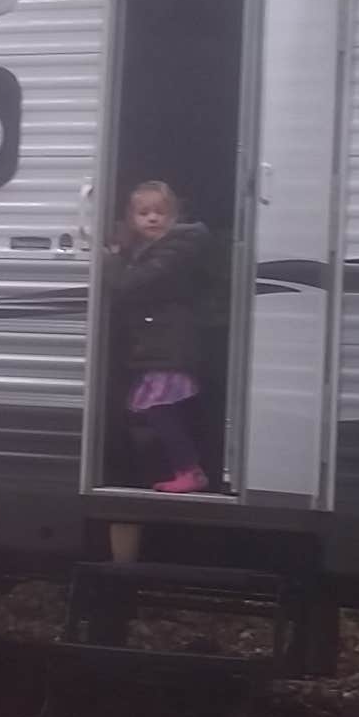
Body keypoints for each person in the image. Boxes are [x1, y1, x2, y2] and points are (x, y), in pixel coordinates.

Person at [108, 179, 213, 493]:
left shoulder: (175, 248)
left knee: (158, 406)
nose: (152, 218)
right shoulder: (152, 248)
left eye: (160, 213)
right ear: (132, 219)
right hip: (161, 342)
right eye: (143, 213)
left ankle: (189, 470)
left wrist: (112, 258)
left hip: (169, 343)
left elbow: (133, 283)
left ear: (174, 216)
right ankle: (182, 467)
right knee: (160, 408)